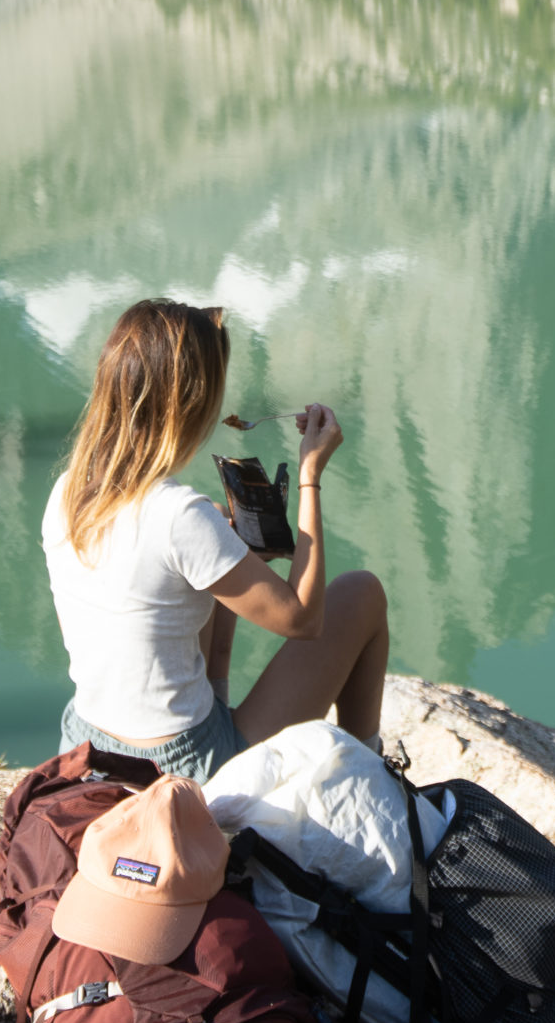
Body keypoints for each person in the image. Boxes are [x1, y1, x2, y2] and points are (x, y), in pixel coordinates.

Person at [42, 297, 389, 782]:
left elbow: (197, 651)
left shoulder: (68, 494)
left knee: (181, 605)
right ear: (192, 401)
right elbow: (304, 620)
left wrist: (234, 555)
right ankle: (374, 776)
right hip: (185, 767)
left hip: (86, 747)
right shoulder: (180, 516)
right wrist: (310, 474)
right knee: (362, 594)